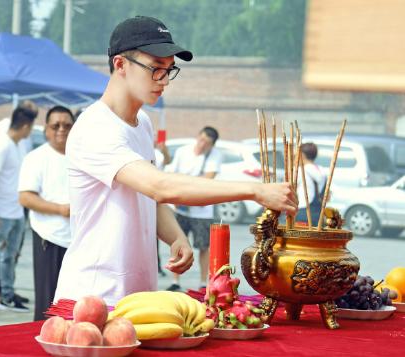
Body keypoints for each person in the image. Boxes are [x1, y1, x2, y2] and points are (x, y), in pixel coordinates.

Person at [54, 16, 297, 307]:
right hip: (93, 296)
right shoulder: (95, 127)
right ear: (120, 65)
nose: (165, 81)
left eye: (169, 70)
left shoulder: (142, 123)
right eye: (155, 69)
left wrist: (176, 237)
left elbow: (149, 197)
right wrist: (255, 190)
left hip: (137, 295)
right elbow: (160, 186)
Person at [0, 106, 36, 314]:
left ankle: (7, 295)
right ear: (26, 126)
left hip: (17, 210)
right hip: (2, 211)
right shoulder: (2, 146)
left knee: (10, 255)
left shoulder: (18, 144)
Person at [18, 106, 74, 320]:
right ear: (46, 130)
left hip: (79, 241)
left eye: (67, 125)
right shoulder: (36, 158)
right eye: (56, 125)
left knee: (74, 303)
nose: (62, 130)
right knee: (47, 304)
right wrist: (60, 209)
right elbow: (25, 197)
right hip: (49, 237)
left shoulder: (84, 157)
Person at [166, 126, 222, 291]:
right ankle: (175, 280)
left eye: (207, 142)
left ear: (212, 145)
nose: (202, 144)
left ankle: (203, 283)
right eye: (201, 139)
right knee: (177, 243)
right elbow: (171, 173)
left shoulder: (215, 155)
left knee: (203, 246)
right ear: (197, 136)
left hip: (202, 210)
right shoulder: (183, 151)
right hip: (180, 207)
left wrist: (183, 183)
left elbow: (208, 179)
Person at [296, 142, 327, 224]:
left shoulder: (300, 171)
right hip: (318, 213)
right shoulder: (322, 170)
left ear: (302, 155)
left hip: (303, 212)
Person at [154, 139, 171, 277]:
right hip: (152, 196)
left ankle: (157, 266)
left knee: (155, 240)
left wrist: (164, 150)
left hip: (155, 201)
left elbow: (167, 161)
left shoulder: (157, 154)